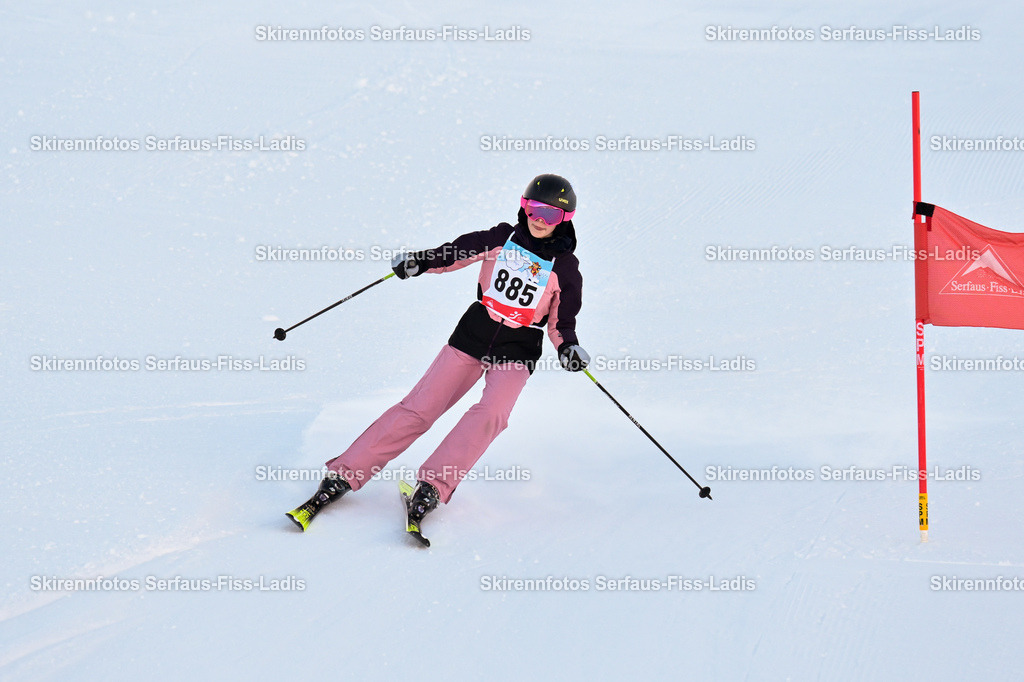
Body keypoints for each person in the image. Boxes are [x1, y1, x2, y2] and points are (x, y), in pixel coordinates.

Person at [287, 173, 590, 538]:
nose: (540, 219)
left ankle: (434, 484)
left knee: (492, 414)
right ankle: (345, 474)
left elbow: (561, 323)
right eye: (534, 209)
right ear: (523, 207)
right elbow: (455, 252)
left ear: (564, 219)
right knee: (420, 408)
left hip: (519, 348)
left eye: (551, 214)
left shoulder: (566, 269)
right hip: (473, 334)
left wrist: (568, 347)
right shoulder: (502, 237)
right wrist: (420, 262)